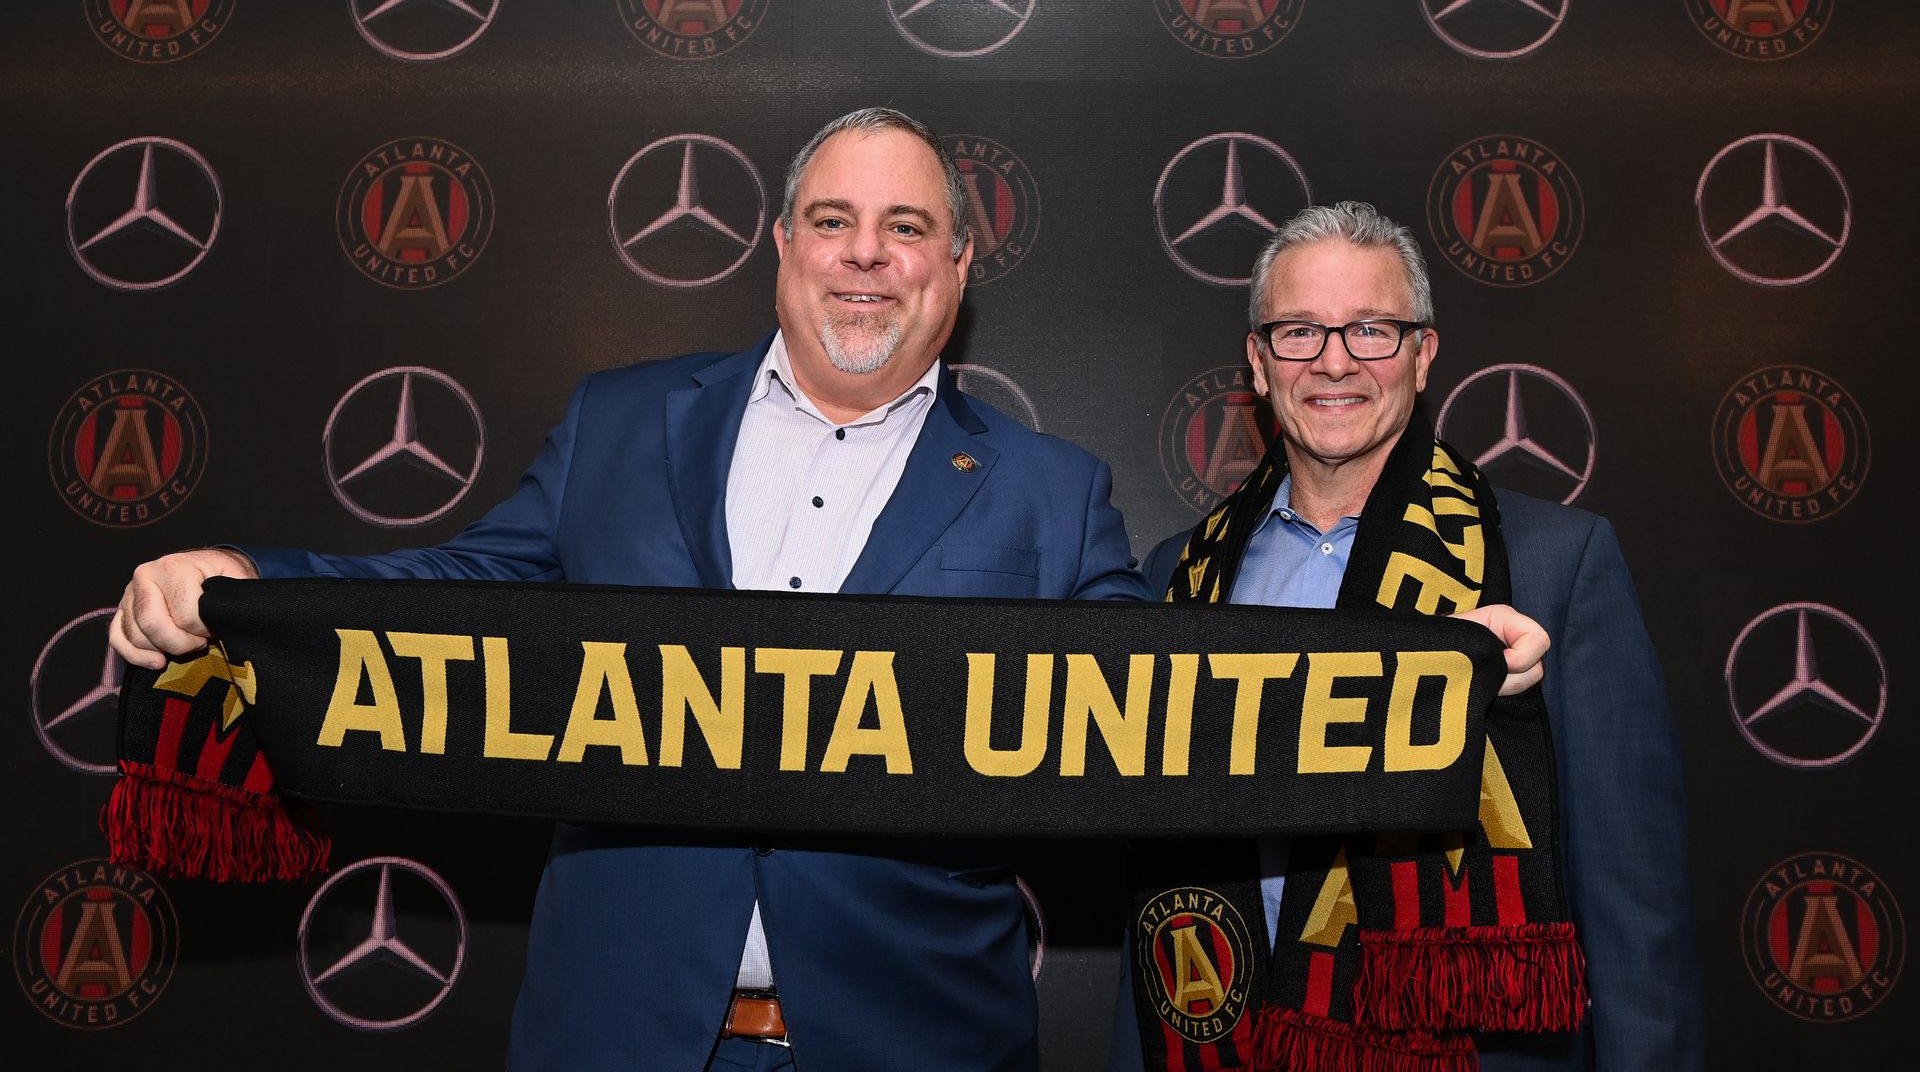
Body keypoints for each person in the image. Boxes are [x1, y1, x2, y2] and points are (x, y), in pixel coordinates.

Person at [112, 112, 1545, 1070]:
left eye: (911, 227)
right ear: (783, 244)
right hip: (620, 1036)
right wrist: (250, 581)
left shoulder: (1052, 495)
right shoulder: (620, 424)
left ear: (960, 269)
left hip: (913, 1042)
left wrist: (1423, 674)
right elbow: (458, 596)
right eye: (836, 221)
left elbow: (1176, 702)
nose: (870, 256)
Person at [1110, 201, 1702, 1071]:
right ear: (1258, 360)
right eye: (1299, 331)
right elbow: (1151, 889)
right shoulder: (1178, 574)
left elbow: (1634, 903)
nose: (1335, 362)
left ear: (1423, 356)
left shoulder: (1552, 565)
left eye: (1373, 330)